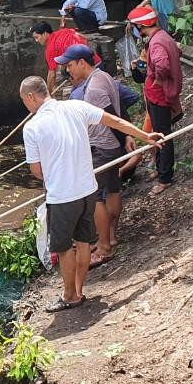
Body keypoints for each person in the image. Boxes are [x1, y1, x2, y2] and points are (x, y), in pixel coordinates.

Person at [20, 75, 161, 312]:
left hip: (62, 196)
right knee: (84, 241)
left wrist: (56, 173)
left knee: (64, 247)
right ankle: (79, 290)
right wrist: (145, 136)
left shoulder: (32, 127)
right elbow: (114, 120)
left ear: (31, 97)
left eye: (24, 100)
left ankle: (69, 295)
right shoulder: (76, 106)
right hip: (88, 190)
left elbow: (36, 170)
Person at [56, 44, 126, 266]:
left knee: (94, 196)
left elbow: (111, 116)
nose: (68, 70)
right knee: (113, 187)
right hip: (112, 145)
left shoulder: (93, 88)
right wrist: (123, 141)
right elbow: (119, 108)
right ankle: (111, 235)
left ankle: (104, 247)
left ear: (82, 63)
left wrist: (122, 140)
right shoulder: (104, 76)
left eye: (70, 65)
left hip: (103, 146)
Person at [129, 5, 181, 196]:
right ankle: (160, 170)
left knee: (162, 137)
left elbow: (163, 65)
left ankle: (164, 178)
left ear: (141, 26)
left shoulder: (157, 43)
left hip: (159, 96)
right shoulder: (163, 37)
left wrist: (158, 80)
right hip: (157, 94)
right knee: (159, 134)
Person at [30, 21, 101, 91]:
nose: (36, 40)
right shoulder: (63, 31)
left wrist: (48, 94)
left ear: (45, 34)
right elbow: (83, 38)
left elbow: (52, 75)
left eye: (37, 37)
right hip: (97, 62)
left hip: (89, 72)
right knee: (64, 70)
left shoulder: (50, 49)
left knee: (75, 93)